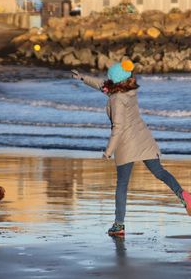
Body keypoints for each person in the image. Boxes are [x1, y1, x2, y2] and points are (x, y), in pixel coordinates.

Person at [71, 60, 191, 236]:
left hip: (126, 143)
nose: (107, 79)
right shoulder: (128, 90)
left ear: (115, 80)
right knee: (160, 173)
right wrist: (83, 77)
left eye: (109, 77)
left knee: (122, 185)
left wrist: (108, 151)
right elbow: (101, 86)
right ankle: (185, 197)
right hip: (143, 138)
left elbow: (117, 128)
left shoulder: (116, 99)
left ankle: (119, 225)